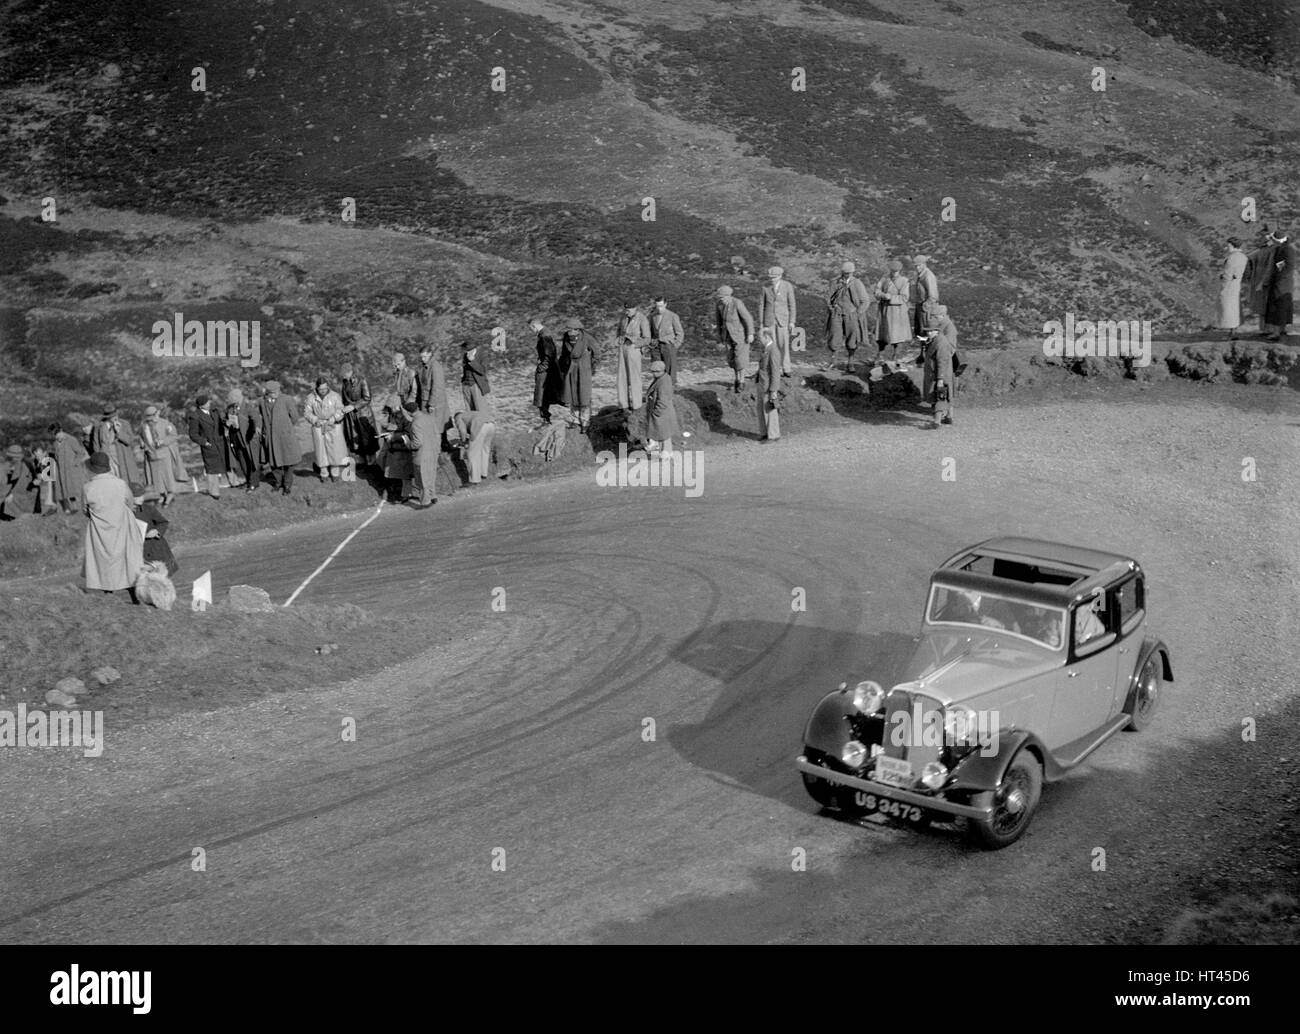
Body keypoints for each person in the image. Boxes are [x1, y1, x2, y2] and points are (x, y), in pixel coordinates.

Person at [82, 451, 144, 597]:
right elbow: (130, 502)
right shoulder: (120, 484)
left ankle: (108, 593)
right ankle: (133, 594)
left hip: (99, 530)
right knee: (127, 559)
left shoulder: (87, 488)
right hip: (121, 525)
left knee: (104, 559)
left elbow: (85, 510)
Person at [257, 380, 302, 495]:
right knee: (274, 462)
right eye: (273, 392)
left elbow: (295, 417)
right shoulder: (262, 402)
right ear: (267, 392)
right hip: (270, 438)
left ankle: (287, 484)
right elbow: (260, 417)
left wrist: (285, 428)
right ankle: (278, 482)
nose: (277, 393)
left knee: (288, 462)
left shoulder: (286, 399)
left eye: (278, 391)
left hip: (285, 437)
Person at [825, 260, 871, 372]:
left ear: (853, 272)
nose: (847, 275)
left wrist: (857, 312)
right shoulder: (835, 282)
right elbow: (827, 297)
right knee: (834, 337)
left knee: (852, 339)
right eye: (845, 273)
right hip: (837, 314)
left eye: (849, 273)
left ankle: (850, 363)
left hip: (851, 315)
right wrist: (832, 308)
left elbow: (865, 301)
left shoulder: (857, 283)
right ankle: (832, 362)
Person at [304, 377, 351, 482]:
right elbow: (307, 413)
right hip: (318, 426)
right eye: (321, 389)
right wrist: (315, 419)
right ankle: (324, 473)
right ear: (317, 388)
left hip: (333, 425)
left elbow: (340, 409)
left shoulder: (335, 396)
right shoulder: (311, 398)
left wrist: (334, 418)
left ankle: (335, 473)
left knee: (335, 450)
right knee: (321, 451)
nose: (323, 391)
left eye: (325, 388)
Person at [129, 481, 178, 577]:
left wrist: (157, 531)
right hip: (140, 551)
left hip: (156, 548)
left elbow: (163, 522)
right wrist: (143, 535)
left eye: (142, 495)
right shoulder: (125, 513)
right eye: (137, 496)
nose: (141, 498)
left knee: (163, 576)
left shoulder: (148, 508)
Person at [140, 405, 185, 505]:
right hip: (152, 455)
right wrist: (143, 443)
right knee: (157, 478)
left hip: (164, 454)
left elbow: (173, 436)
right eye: (148, 418)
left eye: (152, 417)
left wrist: (163, 441)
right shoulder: (144, 425)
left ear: (157, 414)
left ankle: (170, 494)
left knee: (167, 476)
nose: (151, 420)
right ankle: (162, 494)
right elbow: (142, 436)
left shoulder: (165, 423)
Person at [922, 306, 958, 427]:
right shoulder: (939, 333)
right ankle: (948, 417)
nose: (928, 332)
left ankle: (937, 421)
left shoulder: (947, 330)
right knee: (946, 394)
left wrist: (940, 378)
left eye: (935, 316)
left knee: (940, 394)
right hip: (942, 368)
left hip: (943, 368)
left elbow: (946, 353)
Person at [758, 265, 797, 375]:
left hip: (783, 320)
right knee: (772, 345)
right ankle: (776, 368)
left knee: (783, 344)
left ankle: (786, 368)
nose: (772, 279)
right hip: (769, 320)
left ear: (780, 276)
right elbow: (761, 305)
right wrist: (761, 323)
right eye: (770, 277)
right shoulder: (765, 287)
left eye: (774, 277)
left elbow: (792, 305)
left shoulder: (787, 286)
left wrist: (792, 321)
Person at [715, 285, 754, 393]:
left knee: (740, 359)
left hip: (740, 336)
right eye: (719, 297)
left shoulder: (737, 303)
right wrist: (719, 336)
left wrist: (750, 333)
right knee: (732, 359)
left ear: (728, 296)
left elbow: (748, 318)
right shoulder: (719, 305)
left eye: (722, 297)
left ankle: (741, 381)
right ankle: (736, 379)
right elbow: (718, 322)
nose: (720, 299)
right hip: (727, 336)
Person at [187, 394, 227, 498]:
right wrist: (204, 442)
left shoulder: (214, 411)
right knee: (211, 468)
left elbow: (221, 423)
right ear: (201, 406)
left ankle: (234, 482)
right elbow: (193, 434)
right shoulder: (195, 416)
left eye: (209, 402)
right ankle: (214, 492)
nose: (209, 403)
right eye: (207, 402)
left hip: (221, 442)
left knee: (227, 462)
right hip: (209, 445)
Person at [338, 361, 378, 464]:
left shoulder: (362, 380)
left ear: (349, 372)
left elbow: (367, 398)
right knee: (356, 440)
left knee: (368, 440)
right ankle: (363, 463)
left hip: (363, 414)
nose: (343, 377)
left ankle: (372, 464)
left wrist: (353, 406)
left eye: (344, 374)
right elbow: (344, 399)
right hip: (351, 417)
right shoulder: (345, 382)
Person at [406, 398, 442, 508]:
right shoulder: (429, 418)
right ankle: (433, 496)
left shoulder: (415, 424)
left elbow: (417, 443)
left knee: (422, 479)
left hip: (422, 455)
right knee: (431, 476)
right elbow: (437, 434)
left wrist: (407, 443)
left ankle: (426, 502)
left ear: (409, 412)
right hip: (433, 451)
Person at [91, 404, 141, 484]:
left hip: (122, 457)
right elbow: (95, 444)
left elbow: (130, 441)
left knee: (124, 479)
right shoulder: (99, 426)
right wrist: (98, 458)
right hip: (106, 457)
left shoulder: (124, 424)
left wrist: (119, 432)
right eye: (112, 416)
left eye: (115, 415)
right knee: (110, 481)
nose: (115, 417)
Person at [223, 389, 261, 492]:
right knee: (243, 461)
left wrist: (254, 429)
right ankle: (248, 481)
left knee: (252, 460)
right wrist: (227, 422)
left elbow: (256, 419)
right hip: (236, 439)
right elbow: (225, 419)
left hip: (248, 439)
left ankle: (254, 483)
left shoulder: (248, 407)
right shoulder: (230, 409)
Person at [1262, 229, 1296, 341]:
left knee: (1278, 307)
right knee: (1282, 306)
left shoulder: (1287, 250)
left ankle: (1276, 332)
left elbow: (1288, 267)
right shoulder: (1284, 248)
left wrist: (1278, 276)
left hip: (1281, 283)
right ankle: (1282, 329)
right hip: (1283, 282)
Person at [560, 317, 594, 430]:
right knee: (573, 395)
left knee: (584, 396)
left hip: (584, 370)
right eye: (567, 330)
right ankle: (575, 420)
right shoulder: (566, 338)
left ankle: (585, 421)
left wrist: (590, 366)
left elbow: (597, 353)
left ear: (577, 329)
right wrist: (563, 367)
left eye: (570, 329)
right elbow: (564, 354)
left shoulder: (587, 338)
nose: (568, 332)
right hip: (571, 370)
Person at [874, 259, 912, 361]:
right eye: (892, 271)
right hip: (885, 310)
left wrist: (890, 297)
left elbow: (904, 297)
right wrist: (882, 295)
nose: (894, 273)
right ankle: (880, 355)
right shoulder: (884, 279)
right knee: (882, 334)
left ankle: (895, 356)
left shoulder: (904, 281)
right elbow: (877, 291)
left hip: (897, 312)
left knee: (897, 335)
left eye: (896, 271)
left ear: (899, 271)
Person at [615, 303, 650, 410]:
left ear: (635, 308)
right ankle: (623, 405)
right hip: (623, 348)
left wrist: (635, 342)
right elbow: (619, 331)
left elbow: (647, 338)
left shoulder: (642, 319)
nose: (627, 312)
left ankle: (637, 405)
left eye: (629, 310)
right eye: (625, 309)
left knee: (635, 378)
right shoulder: (624, 318)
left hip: (634, 349)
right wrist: (619, 339)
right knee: (622, 377)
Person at [530, 318, 564, 424]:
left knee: (541, 395)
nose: (531, 331)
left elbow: (549, 354)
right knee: (544, 395)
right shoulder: (544, 334)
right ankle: (545, 418)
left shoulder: (544, 336)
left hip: (547, 371)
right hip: (549, 370)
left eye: (531, 328)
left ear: (534, 326)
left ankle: (546, 419)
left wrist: (542, 367)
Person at [49, 421, 88, 513]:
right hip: (61, 470)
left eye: (57, 434)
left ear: (61, 430)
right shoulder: (55, 443)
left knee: (73, 490)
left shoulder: (71, 440)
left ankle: (77, 508)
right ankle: (67, 509)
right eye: (54, 435)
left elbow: (80, 452)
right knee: (62, 490)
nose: (56, 436)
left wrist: (74, 463)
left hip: (71, 470)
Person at [451, 409, 496, 484]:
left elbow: (462, 431)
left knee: (472, 454)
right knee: (484, 450)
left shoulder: (458, 417)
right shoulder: (469, 413)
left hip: (479, 426)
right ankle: (483, 474)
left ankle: (475, 480)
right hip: (491, 425)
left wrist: (463, 441)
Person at [1216, 237, 1248, 338]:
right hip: (1237, 284)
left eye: (1228, 245)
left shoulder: (1232, 258)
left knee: (1228, 307)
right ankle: (1233, 331)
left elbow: (1227, 275)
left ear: (1233, 246)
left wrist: (1222, 278)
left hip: (1229, 285)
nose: (1226, 247)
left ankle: (1231, 333)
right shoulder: (1243, 257)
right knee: (1235, 307)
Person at [647, 297, 683, 387]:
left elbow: (680, 333)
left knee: (670, 371)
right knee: (657, 369)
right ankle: (657, 390)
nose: (659, 308)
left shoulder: (673, 316)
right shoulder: (652, 316)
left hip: (668, 346)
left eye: (661, 306)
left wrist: (675, 345)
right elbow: (650, 331)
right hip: (656, 347)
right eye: (657, 306)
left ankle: (671, 391)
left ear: (666, 304)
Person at [644, 359, 678, 454]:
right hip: (662, 412)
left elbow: (662, 400)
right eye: (652, 372)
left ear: (661, 371)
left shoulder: (663, 383)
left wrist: (656, 412)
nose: (653, 374)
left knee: (664, 435)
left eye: (655, 372)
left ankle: (666, 455)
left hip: (662, 413)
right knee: (662, 434)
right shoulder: (662, 378)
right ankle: (662, 453)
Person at [755, 330, 782, 442]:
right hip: (761, 384)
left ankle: (773, 434)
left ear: (766, 337)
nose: (758, 340)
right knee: (761, 409)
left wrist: (773, 389)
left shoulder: (773, 350)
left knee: (769, 409)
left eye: (760, 338)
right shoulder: (765, 349)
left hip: (768, 385)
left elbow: (775, 372)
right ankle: (764, 433)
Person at [460, 340, 493, 416]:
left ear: (473, 349)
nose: (466, 352)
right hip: (466, 386)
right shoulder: (466, 355)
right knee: (469, 411)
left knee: (480, 411)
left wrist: (472, 361)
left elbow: (483, 371)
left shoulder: (482, 355)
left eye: (467, 349)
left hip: (477, 385)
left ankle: (483, 426)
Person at [911, 254, 939, 339]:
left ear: (924, 264)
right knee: (920, 332)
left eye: (919, 266)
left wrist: (925, 306)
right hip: (921, 306)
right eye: (915, 266)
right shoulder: (920, 275)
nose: (917, 268)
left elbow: (933, 296)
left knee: (927, 331)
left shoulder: (928, 276)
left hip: (927, 308)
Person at [1, 444, 30, 520]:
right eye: (15, 457)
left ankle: (20, 513)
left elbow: (26, 480)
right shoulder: (3, 467)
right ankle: (19, 514)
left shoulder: (22, 466)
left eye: (18, 457)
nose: (17, 459)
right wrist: (8, 493)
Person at [30, 444, 58, 515]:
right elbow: (37, 472)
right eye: (36, 455)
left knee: (51, 484)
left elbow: (52, 475)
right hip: (47, 478)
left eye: (39, 455)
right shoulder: (36, 461)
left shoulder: (51, 458)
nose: (37, 457)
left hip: (58, 476)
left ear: (45, 453)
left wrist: (41, 477)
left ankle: (53, 507)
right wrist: (38, 478)